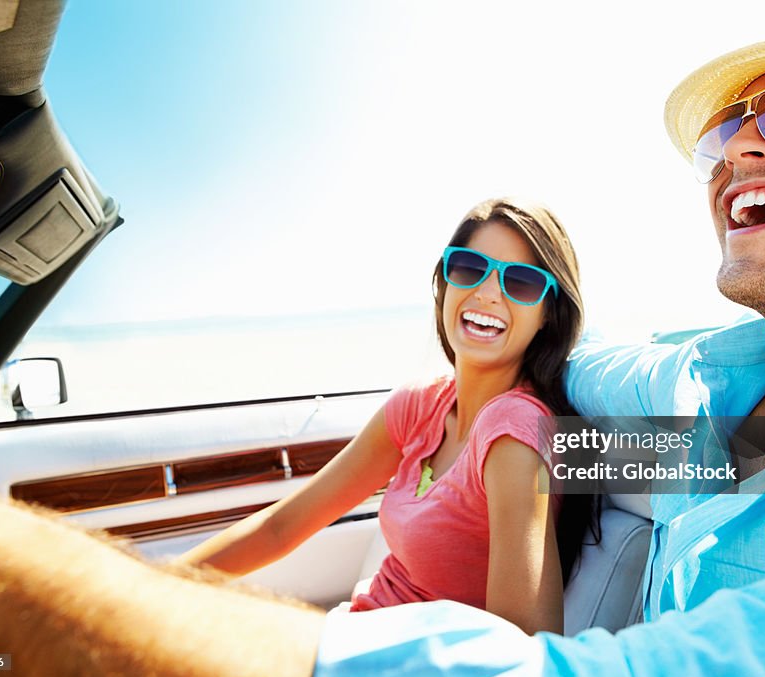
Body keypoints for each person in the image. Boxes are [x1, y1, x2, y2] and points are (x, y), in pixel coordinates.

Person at [0, 0, 765, 677]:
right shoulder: (704, 400)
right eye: (731, 131)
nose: (746, 148)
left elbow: (560, 650)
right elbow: (545, 396)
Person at [170, 197, 589, 635]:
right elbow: (281, 527)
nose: (487, 291)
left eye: (520, 282)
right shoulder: (420, 405)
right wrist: (160, 583)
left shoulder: (513, 433)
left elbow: (523, 647)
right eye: (469, 267)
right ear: (445, 283)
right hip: (350, 634)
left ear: (547, 315)